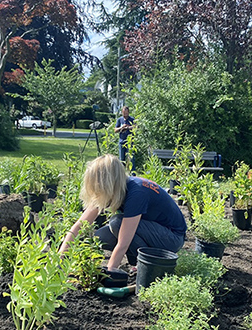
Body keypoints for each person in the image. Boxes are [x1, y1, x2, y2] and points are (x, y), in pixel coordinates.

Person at [58, 155, 186, 277]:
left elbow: (123, 242)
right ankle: (137, 261)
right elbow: (80, 225)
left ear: (107, 183)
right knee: (101, 237)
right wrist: (59, 260)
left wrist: (110, 272)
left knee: (116, 223)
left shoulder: (137, 192)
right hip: (152, 231)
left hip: (171, 238)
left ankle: (146, 265)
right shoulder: (115, 189)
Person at [114, 106, 135, 172]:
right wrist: (121, 128)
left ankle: (132, 173)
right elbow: (115, 130)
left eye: (126, 113)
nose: (125, 114)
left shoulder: (131, 119)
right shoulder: (119, 120)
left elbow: (135, 127)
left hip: (130, 141)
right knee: (121, 159)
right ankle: (122, 173)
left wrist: (128, 127)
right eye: (124, 113)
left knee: (131, 158)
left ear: (128, 112)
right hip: (121, 141)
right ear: (122, 112)